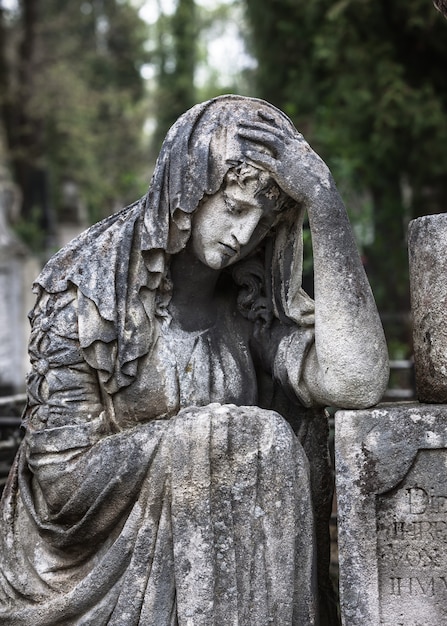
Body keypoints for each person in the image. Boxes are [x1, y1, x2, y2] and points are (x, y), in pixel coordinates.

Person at [0, 95, 388, 625]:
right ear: (189, 187)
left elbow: (355, 383)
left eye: (266, 219)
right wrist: (202, 442)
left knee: (252, 437)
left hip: (232, 568)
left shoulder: (249, 297)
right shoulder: (86, 288)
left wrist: (326, 205)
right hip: (84, 564)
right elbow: (58, 481)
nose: (244, 235)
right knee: (235, 437)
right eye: (234, 207)